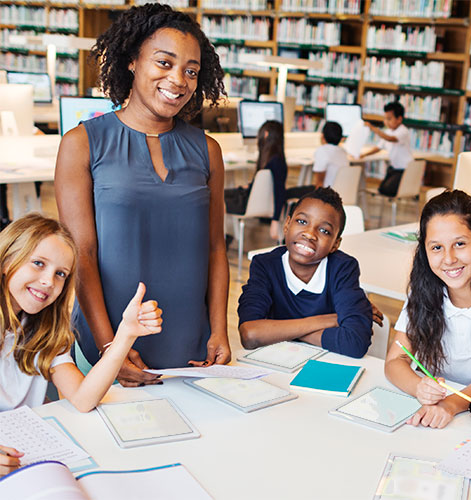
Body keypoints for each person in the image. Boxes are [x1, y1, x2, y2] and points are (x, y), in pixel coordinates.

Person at [55, 4, 230, 387]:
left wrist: (219, 329)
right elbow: (81, 255)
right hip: (109, 347)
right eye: (164, 63)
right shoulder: (82, 144)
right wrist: (108, 348)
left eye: (191, 71)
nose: (179, 80)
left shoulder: (208, 150)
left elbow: (216, 249)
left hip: (193, 351)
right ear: (133, 60)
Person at [0, 214, 162, 475]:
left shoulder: (43, 331)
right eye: (38, 263)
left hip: (27, 462)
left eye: (60, 274)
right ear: (7, 260)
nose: (48, 281)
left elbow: (84, 398)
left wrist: (125, 335)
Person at [385, 190, 471, 429]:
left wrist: (449, 405)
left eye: (459, 244)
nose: (448, 259)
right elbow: (395, 360)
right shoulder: (423, 293)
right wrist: (419, 387)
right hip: (429, 409)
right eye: (436, 247)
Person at [238, 187, 377, 358]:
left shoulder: (343, 268)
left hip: (328, 365)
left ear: (335, 244)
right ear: (287, 225)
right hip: (277, 363)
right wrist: (332, 319)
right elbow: (250, 334)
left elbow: (355, 342)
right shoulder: (265, 265)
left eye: (324, 231)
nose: (310, 234)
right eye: (302, 222)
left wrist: (278, 331)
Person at [224, 120, 287, 241]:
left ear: (266, 134)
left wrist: (275, 220)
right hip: (251, 198)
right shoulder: (276, 159)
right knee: (220, 193)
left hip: (248, 204)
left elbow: (280, 192)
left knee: (215, 198)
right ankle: (224, 237)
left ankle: (221, 238)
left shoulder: (273, 161)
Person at [361, 101, 413, 197]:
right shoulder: (388, 131)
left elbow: (390, 139)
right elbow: (378, 147)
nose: (386, 122)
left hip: (404, 170)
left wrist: (373, 128)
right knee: (382, 189)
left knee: (387, 190)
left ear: (399, 119)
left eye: (389, 119)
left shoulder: (403, 131)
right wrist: (364, 154)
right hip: (393, 168)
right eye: (385, 118)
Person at [312, 121, 349, 188]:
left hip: (328, 194)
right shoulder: (343, 152)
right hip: (342, 192)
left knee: (289, 193)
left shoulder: (322, 150)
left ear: (322, 136)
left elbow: (319, 182)